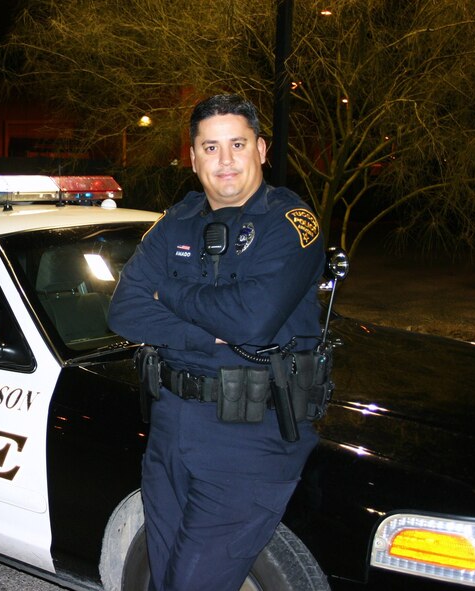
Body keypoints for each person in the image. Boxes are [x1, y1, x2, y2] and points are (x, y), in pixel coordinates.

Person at [107, 94, 326, 590]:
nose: (225, 160)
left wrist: (169, 291)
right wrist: (209, 330)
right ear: (192, 157)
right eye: (210, 147)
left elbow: (251, 321)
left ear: (262, 150)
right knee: (163, 576)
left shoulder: (292, 224)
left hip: (250, 432)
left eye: (237, 144)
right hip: (169, 424)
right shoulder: (176, 221)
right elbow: (123, 310)